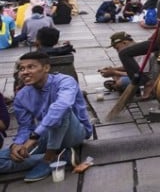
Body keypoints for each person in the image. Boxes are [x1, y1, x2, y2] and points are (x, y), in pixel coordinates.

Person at [0, 51, 93, 182]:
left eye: (31, 67)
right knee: (3, 158)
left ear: (46, 68)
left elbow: (62, 106)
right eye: (22, 69)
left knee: (58, 110)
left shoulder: (65, 81)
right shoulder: (22, 96)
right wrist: (17, 144)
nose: (24, 72)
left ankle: (49, 158)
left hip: (75, 133)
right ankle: (62, 156)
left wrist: (34, 138)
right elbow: (25, 126)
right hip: (45, 135)